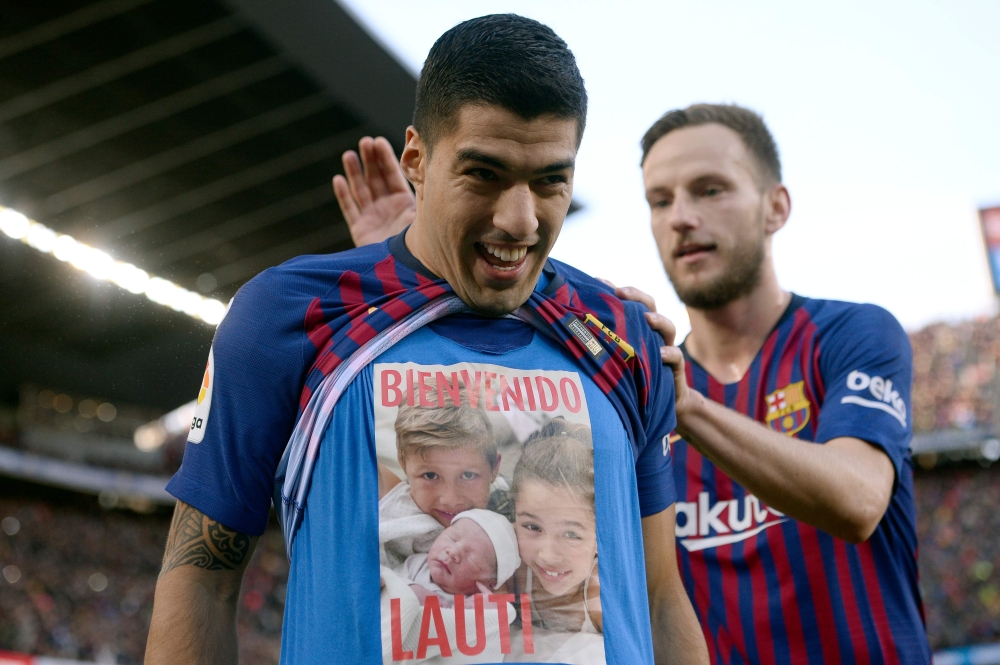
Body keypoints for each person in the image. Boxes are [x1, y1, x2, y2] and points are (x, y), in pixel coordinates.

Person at [146, 14, 708, 665]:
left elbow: (662, 597)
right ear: (417, 158)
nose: (519, 219)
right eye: (484, 174)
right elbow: (201, 579)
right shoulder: (288, 316)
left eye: (550, 180)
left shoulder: (621, 335)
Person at [336, 103, 931, 663]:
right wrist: (426, 273)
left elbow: (858, 501)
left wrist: (685, 409)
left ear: (776, 206)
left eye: (710, 190)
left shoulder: (850, 334)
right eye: (659, 199)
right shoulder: (626, 389)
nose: (682, 217)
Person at [401, 508, 520, 604]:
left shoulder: (474, 604)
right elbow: (387, 582)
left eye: (471, 557)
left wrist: (485, 614)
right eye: (451, 539)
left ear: (489, 584)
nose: (452, 552)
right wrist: (411, 589)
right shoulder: (416, 565)